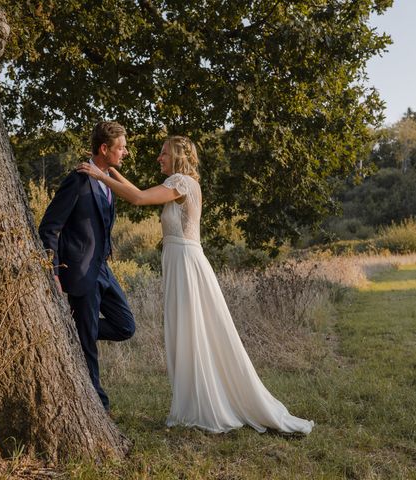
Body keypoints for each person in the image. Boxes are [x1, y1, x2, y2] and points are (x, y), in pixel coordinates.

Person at [76, 136, 313, 433]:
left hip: (186, 263)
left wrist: (100, 175)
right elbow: (136, 191)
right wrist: (110, 173)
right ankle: (195, 399)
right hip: (180, 261)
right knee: (188, 330)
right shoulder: (180, 182)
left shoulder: (182, 182)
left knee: (192, 329)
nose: (158, 158)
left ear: (176, 155)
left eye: (163, 153)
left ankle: (204, 406)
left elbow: (138, 198)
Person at [39, 121, 135, 412]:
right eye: (121, 148)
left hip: (103, 270)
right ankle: (98, 404)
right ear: (104, 149)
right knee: (89, 347)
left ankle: (76, 329)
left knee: (125, 326)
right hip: (80, 271)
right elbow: (49, 228)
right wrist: (53, 272)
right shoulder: (79, 180)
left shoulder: (105, 179)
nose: (126, 153)